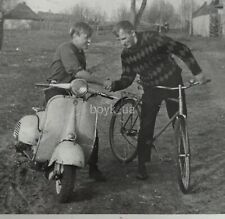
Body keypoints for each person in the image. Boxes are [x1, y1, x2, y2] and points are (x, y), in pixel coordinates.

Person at [104, 20, 207, 180]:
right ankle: (142, 165)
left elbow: (182, 49)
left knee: (180, 119)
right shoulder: (126, 54)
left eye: (124, 38)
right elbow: (127, 77)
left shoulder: (153, 38)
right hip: (152, 87)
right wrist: (115, 85)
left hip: (172, 81)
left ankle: (182, 156)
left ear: (132, 32)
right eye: (119, 40)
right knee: (147, 124)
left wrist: (197, 73)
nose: (122, 43)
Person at [46, 21, 106, 182]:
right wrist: (101, 81)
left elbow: (79, 77)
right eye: (86, 37)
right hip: (57, 91)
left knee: (89, 128)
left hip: (73, 92)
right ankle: (50, 163)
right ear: (75, 35)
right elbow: (78, 73)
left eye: (90, 38)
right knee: (55, 127)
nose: (89, 41)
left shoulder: (80, 52)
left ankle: (93, 168)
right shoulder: (66, 48)